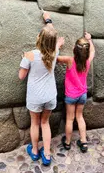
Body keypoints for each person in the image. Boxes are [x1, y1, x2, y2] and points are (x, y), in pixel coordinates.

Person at [19, 11, 64, 166]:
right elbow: (53, 37)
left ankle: (35, 151)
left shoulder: (30, 55)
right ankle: (46, 154)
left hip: (35, 97)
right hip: (50, 96)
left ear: (39, 38)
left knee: (35, 123)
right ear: (53, 42)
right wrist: (48, 20)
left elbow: (21, 76)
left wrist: (23, 60)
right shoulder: (55, 52)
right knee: (45, 123)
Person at [57, 32, 95, 153]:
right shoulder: (87, 61)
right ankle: (83, 142)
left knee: (69, 119)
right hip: (82, 95)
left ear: (74, 49)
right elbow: (93, 51)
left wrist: (58, 45)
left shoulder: (69, 60)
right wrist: (89, 40)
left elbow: (55, 58)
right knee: (80, 117)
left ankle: (67, 143)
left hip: (71, 96)